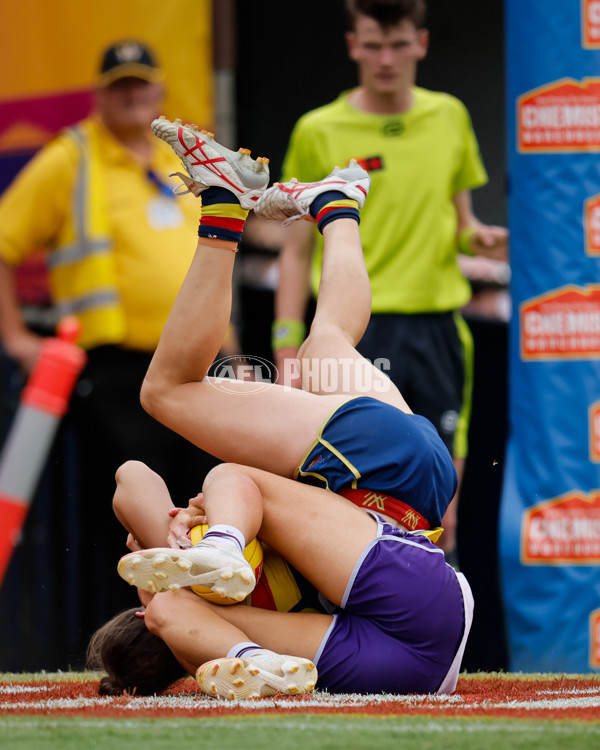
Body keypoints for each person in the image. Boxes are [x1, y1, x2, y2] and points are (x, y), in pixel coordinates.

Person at [108, 116, 473, 699]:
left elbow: (136, 485)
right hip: (370, 476)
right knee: (167, 392)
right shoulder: (178, 595)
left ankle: (339, 208)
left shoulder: (207, 598)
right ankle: (225, 204)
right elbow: (135, 483)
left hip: (417, 488)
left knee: (326, 340)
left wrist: (170, 539)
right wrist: (183, 535)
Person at [272, 0, 509, 560]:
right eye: (373, 45)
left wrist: (478, 237)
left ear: (421, 44)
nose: (386, 59)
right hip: (351, 336)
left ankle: (436, 636)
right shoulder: (318, 129)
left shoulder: (449, 115)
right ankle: (347, 634)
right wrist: (286, 341)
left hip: (437, 332)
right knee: (351, 492)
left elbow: (461, 221)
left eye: (398, 45)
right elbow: (296, 246)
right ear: (353, 45)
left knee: (440, 503)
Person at [0, 40, 220, 630]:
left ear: (160, 92)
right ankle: (128, 642)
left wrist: (235, 350)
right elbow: (4, 241)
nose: (131, 95)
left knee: (206, 504)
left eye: (141, 84)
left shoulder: (179, 157)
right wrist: (17, 337)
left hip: (198, 368)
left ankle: (205, 633)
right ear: (100, 94)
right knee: (130, 513)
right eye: (119, 85)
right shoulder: (71, 157)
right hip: (118, 371)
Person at [86, 459, 326, 696]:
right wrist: (204, 508)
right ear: (144, 613)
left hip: (311, 613)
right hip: (310, 550)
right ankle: (223, 540)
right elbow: (130, 474)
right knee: (228, 489)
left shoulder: (209, 664)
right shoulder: (170, 594)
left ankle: (223, 541)